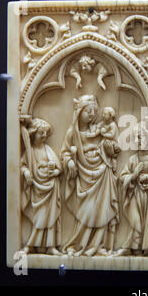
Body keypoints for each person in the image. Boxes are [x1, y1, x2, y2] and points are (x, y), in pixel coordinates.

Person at [61, 94, 119, 256]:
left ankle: (97, 245)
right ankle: (80, 244)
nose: (92, 114)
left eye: (94, 111)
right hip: (84, 175)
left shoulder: (100, 129)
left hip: (103, 172)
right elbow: (65, 152)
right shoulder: (72, 133)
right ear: (79, 112)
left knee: (103, 209)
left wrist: (110, 149)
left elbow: (114, 147)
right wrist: (70, 162)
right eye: (88, 111)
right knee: (87, 211)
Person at [20, 117, 62, 255]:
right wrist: (26, 173)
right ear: (33, 134)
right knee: (39, 218)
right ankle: (30, 245)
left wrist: (54, 172)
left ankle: (51, 247)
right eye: (41, 133)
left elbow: (59, 168)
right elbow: (23, 166)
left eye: (45, 133)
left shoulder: (48, 149)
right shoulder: (30, 151)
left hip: (51, 187)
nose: (44, 136)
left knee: (51, 218)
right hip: (38, 188)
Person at [115, 122, 148, 256]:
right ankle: (129, 247)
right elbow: (122, 177)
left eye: (140, 137)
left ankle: (147, 247)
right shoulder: (133, 159)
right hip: (136, 195)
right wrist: (133, 176)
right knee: (137, 222)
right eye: (135, 138)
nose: (137, 141)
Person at [98, 107, 121, 173]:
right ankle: (105, 156)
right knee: (103, 142)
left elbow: (111, 135)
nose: (103, 115)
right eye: (103, 114)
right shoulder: (105, 123)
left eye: (105, 114)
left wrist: (103, 133)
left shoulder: (112, 125)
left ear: (110, 116)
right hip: (109, 142)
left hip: (114, 144)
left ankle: (112, 161)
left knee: (105, 143)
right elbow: (98, 126)